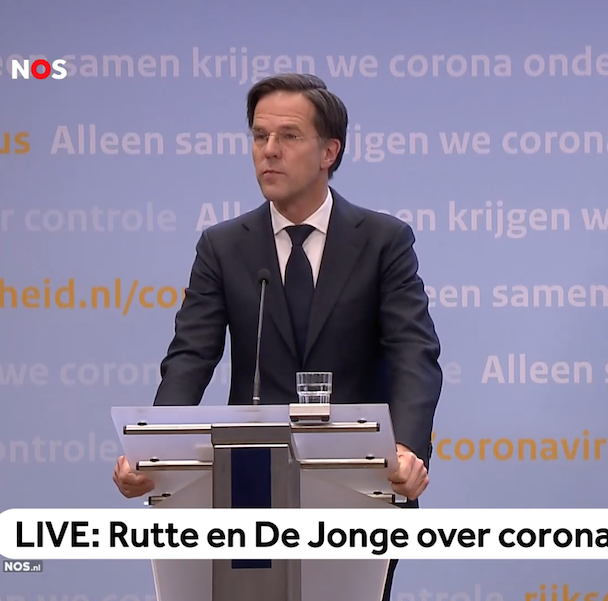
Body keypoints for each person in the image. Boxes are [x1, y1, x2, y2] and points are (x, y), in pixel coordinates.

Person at [111, 73, 444, 600]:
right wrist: (154, 452)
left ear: (329, 151)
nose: (269, 150)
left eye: (288, 136)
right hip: (250, 483)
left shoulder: (383, 241)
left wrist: (405, 449)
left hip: (357, 484)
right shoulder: (223, 246)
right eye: (259, 136)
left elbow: (414, 354)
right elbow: (190, 357)